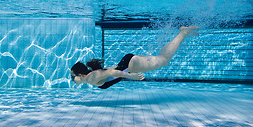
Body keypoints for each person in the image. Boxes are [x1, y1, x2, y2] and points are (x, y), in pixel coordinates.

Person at [71, 26, 200, 89]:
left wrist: (130, 76)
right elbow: (109, 71)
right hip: (128, 63)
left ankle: (182, 34)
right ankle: (181, 35)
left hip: (129, 66)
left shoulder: (91, 78)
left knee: (163, 60)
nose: (73, 79)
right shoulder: (91, 77)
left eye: (73, 76)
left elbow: (111, 72)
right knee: (161, 59)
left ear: (80, 74)